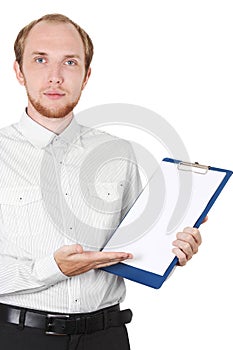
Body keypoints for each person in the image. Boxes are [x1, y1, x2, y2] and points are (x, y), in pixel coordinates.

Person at [0, 14, 203, 350]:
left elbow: (134, 250)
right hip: (17, 338)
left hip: (106, 337)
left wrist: (172, 248)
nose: (55, 76)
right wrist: (53, 269)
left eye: (70, 62)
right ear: (19, 71)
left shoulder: (118, 153)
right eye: (40, 60)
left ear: (86, 74)